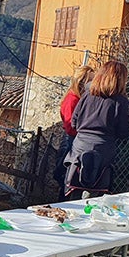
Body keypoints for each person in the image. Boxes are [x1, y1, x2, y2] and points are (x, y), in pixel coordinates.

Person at [63, 60, 129, 198]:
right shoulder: (120, 101)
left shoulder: (87, 94)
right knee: (96, 195)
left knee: (74, 192)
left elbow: (74, 122)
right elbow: (123, 132)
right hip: (103, 150)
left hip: (79, 147)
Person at [54, 64, 93, 198]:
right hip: (71, 141)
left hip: (75, 140)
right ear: (82, 81)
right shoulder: (72, 99)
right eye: (90, 80)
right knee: (67, 179)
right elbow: (70, 126)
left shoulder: (78, 98)